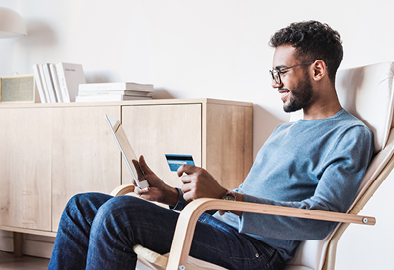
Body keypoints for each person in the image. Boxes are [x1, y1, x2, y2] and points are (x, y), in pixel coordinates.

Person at [48, 20, 374, 270]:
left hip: (256, 250)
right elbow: (239, 203)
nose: (274, 83)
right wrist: (172, 196)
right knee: (81, 207)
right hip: (218, 226)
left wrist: (223, 197)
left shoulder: (348, 135)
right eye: (272, 72)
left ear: (318, 69)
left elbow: (321, 219)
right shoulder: (283, 132)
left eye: (282, 71)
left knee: (119, 214)